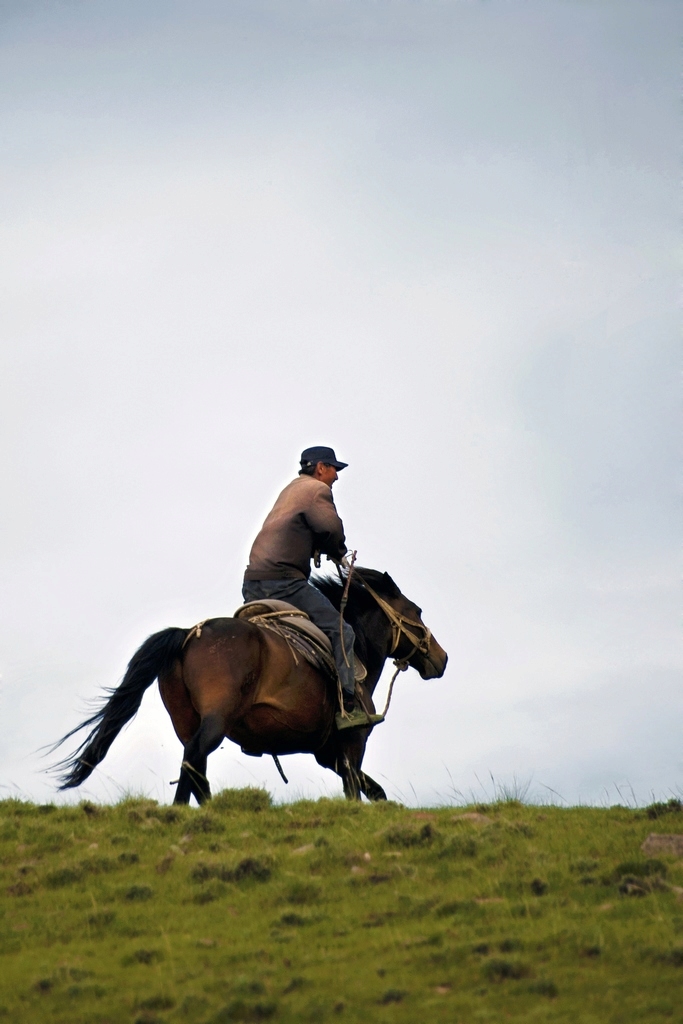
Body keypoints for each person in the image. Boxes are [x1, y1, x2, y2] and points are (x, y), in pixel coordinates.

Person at [242, 446, 380, 729]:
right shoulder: (316, 490)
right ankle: (347, 708)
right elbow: (329, 527)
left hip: (253, 584)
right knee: (342, 630)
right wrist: (339, 550)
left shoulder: (291, 490)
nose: (336, 477)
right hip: (284, 583)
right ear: (320, 468)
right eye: (334, 469)